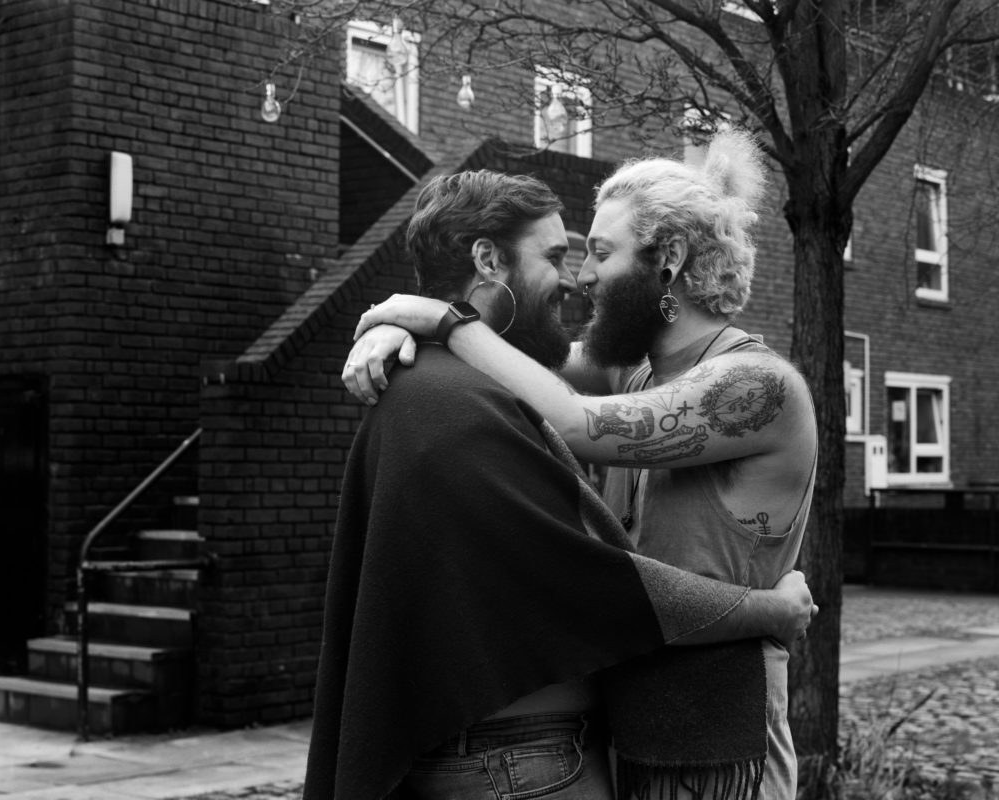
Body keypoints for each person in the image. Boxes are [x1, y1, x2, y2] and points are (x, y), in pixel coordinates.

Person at [306, 167, 816, 800]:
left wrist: (440, 318)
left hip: (722, 744)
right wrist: (398, 326)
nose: (584, 275)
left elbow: (575, 420)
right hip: (641, 729)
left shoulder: (757, 387)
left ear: (670, 259)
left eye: (601, 252)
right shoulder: (634, 374)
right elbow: (514, 352)